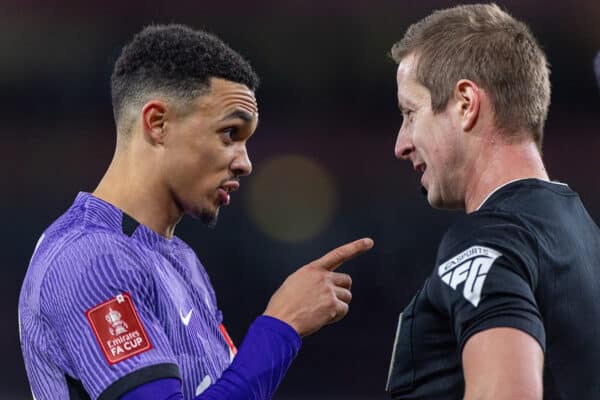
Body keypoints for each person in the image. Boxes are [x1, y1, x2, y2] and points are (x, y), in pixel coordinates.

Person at [18, 24, 373, 400]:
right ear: (157, 124)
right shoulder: (89, 259)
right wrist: (281, 325)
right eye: (230, 134)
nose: (246, 163)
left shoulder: (179, 260)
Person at [386, 4, 600, 399]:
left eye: (410, 113)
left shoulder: (486, 239)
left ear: (466, 103)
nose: (401, 144)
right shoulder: (588, 240)